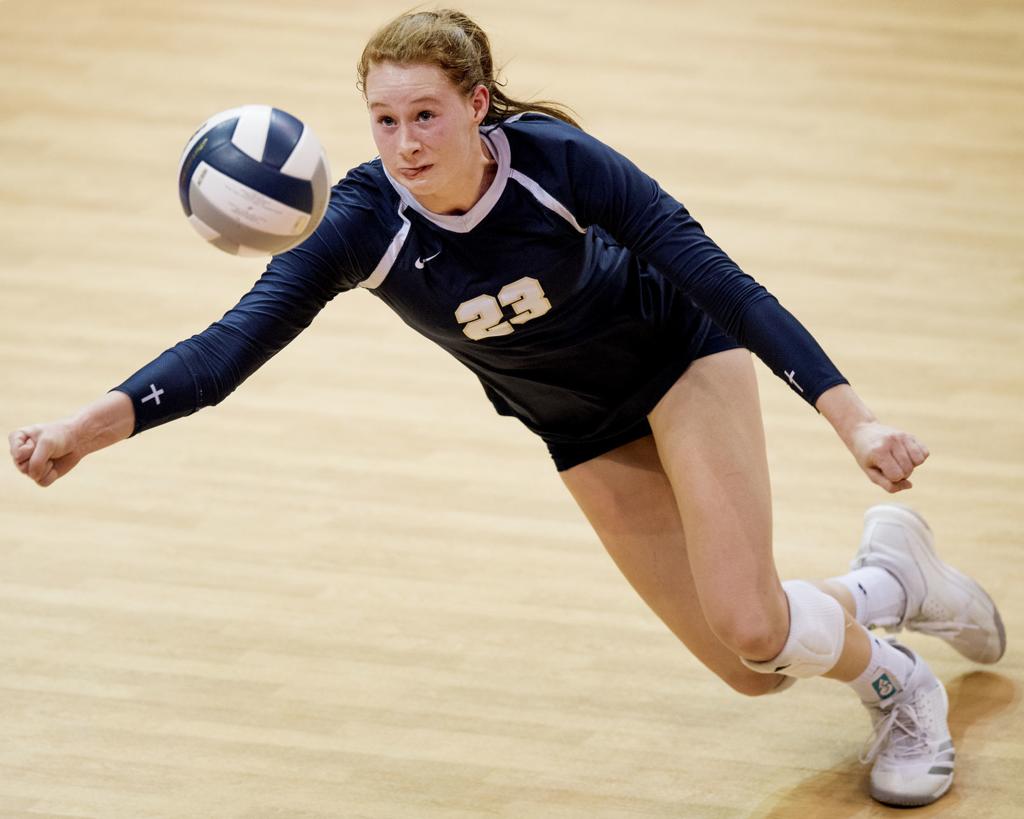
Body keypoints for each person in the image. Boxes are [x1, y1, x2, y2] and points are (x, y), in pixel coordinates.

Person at [8, 8, 1004, 808]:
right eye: (384, 121)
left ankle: (900, 686)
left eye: (426, 116)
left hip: (678, 365)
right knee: (753, 669)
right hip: (577, 428)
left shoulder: (557, 164)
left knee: (751, 622)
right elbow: (226, 351)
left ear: (476, 104)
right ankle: (890, 578)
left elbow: (724, 283)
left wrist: (853, 420)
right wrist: (80, 432)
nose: (403, 143)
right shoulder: (359, 223)